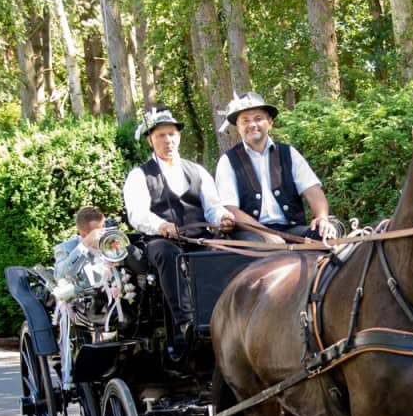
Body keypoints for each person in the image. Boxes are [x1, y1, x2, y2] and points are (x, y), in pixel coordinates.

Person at [122, 108, 234, 354]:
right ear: (151, 140)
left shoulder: (198, 171)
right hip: (160, 240)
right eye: (161, 135)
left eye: (172, 134)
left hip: (199, 236)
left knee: (225, 250)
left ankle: (228, 315)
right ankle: (186, 322)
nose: (168, 140)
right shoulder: (139, 175)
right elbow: (137, 214)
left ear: (179, 137)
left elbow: (212, 207)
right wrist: (160, 225)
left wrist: (224, 217)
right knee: (167, 254)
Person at [213, 92, 337, 242]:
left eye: (258, 119)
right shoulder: (228, 161)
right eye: (245, 121)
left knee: (327, 234)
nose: (252, 125)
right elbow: (230, 209)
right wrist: (266, 234)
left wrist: (322, 217)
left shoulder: (288, 153)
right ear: (238, 127)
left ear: (270, 122)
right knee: (254, 250)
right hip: (251, 233)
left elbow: (313, 191)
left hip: (292, 230)